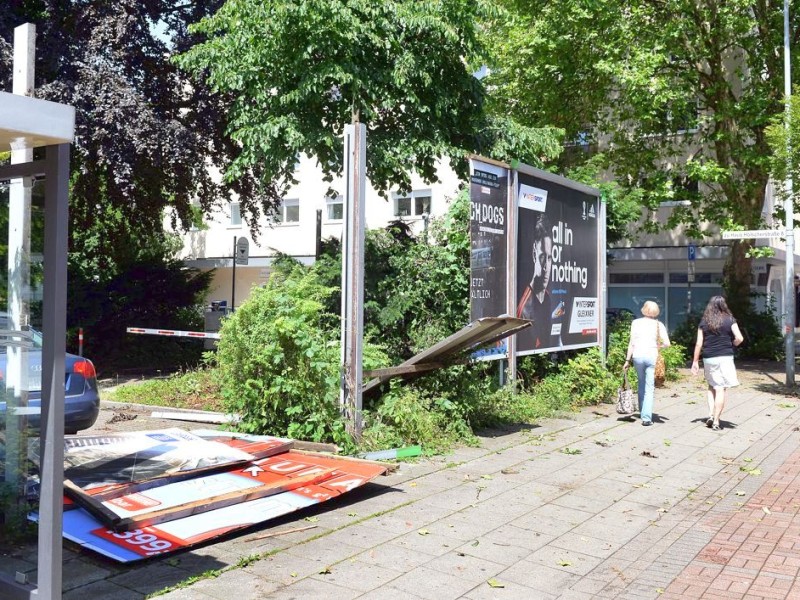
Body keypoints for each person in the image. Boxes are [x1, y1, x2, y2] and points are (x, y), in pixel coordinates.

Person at [691, 295, 743, 431]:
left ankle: (710, 414)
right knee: (721, 388)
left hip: (709, 358)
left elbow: (698, 344)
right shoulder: (730, 320)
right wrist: (732, 344)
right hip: (725, 357)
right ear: (723, 305)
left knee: (712, 386)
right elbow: (739, 338)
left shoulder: (704, 322)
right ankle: (716, 420)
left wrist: (695, 361)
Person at [516, 214, 562, 349]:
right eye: (542, 257)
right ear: (534, 254)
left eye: (549, 258)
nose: (546, 267)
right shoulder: (525, 308)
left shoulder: (546, 298)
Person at [623, 300, 670, 426]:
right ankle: (646, 417)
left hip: (637, 356)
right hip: (652, 357)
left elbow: (631, 343)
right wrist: (658, 346)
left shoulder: (635, 323)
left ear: (643, 309)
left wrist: (627, 360)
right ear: (656, 312)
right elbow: (667, 343)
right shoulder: (659, 325)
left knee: (641, 383)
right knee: (649, 387)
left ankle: (642, 410)